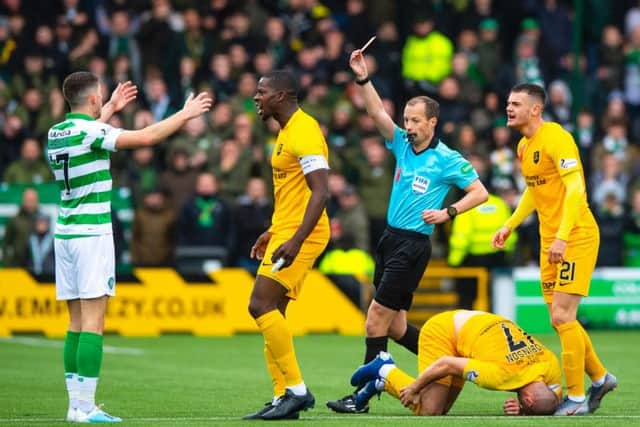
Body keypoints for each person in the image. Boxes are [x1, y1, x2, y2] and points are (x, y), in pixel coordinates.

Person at [327, 48, 489, 414]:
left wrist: (449, 212)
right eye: (407, 119)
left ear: (432, 122)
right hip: (390, 240)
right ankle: (449, 366)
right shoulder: (401, 144)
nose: (410, 126)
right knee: (397, 326)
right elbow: (375, 113)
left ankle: (363, 396)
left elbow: (480, 192)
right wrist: (363, 77)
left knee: (375, 318)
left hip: (413, 246)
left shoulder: (447, 158)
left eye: (416, 120)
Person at [47, 71, 211, 423]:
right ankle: (87, 408)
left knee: (75, 323)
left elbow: (87, 133)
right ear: (92, 99)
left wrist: (109, 109)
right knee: (94, 323)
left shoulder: (57, 133)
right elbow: (148, 136)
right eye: (101, 97)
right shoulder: (91, 131)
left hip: (66, 233)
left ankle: (75, 406)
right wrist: (185, 113)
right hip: (92, 235)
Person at [492, 83, 617, 416]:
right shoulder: (522, 147)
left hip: (575, 235)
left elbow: (576, 188)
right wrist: (510, 224)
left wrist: (562, 235)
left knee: (563, 316)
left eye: (516, 103)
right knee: (559, 318)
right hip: (551, 239)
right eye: (508, 102)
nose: (509, 107)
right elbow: (535, 191)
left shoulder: (557, 137)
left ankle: (577, 397)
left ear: (536, 109)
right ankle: (601, 377)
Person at [243, 70, 330, 420]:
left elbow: (321, 191)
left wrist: (295, 239)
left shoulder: (305, 130)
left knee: (259, 304)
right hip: (286, 229)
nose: (256, 97)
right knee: (272, 312)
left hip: (303, 233)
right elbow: (291, 191)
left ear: (281, 96)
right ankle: (283, 396)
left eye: (261, 92)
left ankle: (295, 390)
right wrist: (273, 228)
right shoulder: (285, 131)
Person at [349, 310, 562, 416]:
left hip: (478, 324)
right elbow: (447, 364)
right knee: (430, 411)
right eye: (526, 406)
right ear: (529, 399)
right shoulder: (499, 375)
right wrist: (414, 387)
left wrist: (524, 410)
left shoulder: (549, 363)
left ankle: (379, 383)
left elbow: (553, 399)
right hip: (443, 332)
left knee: (440, 410)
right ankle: (384, 368)